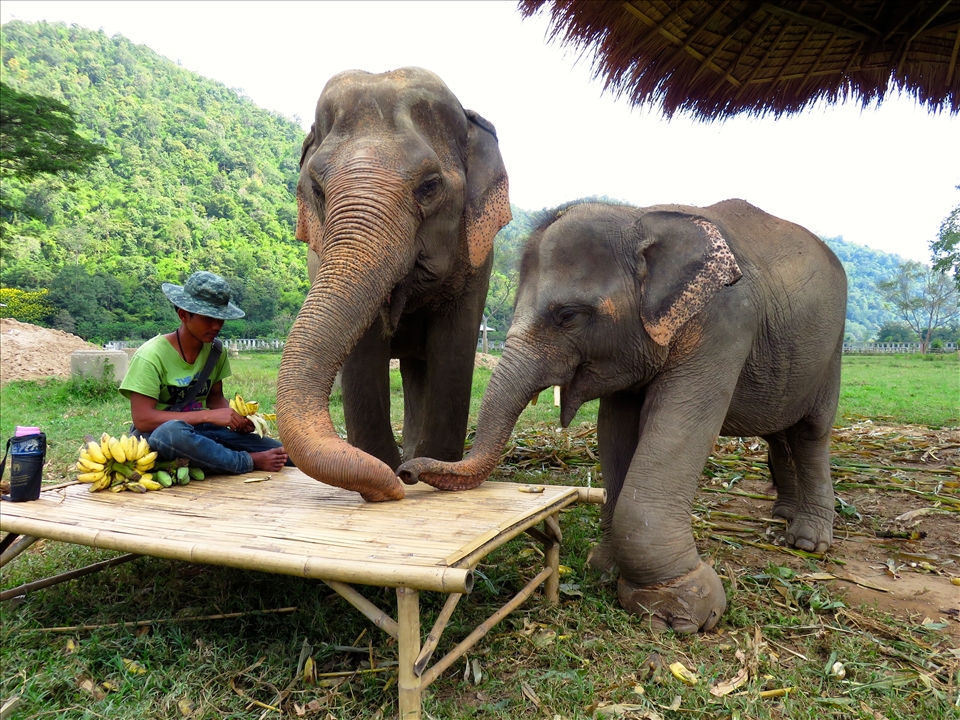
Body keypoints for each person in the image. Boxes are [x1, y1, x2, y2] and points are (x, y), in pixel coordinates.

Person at [120, 271, 290, 474]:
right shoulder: (151, 356)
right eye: (208, 318)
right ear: (183, 314)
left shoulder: (216, 351)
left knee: (287, 453)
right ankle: (247, 461)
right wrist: (208, 416)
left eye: (220, 318)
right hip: (162, 436)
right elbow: (143, 419)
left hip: (204, 432)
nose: (217, 326)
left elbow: (215, 398)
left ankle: (220, 456)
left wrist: (237, 420)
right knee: (171, 433)